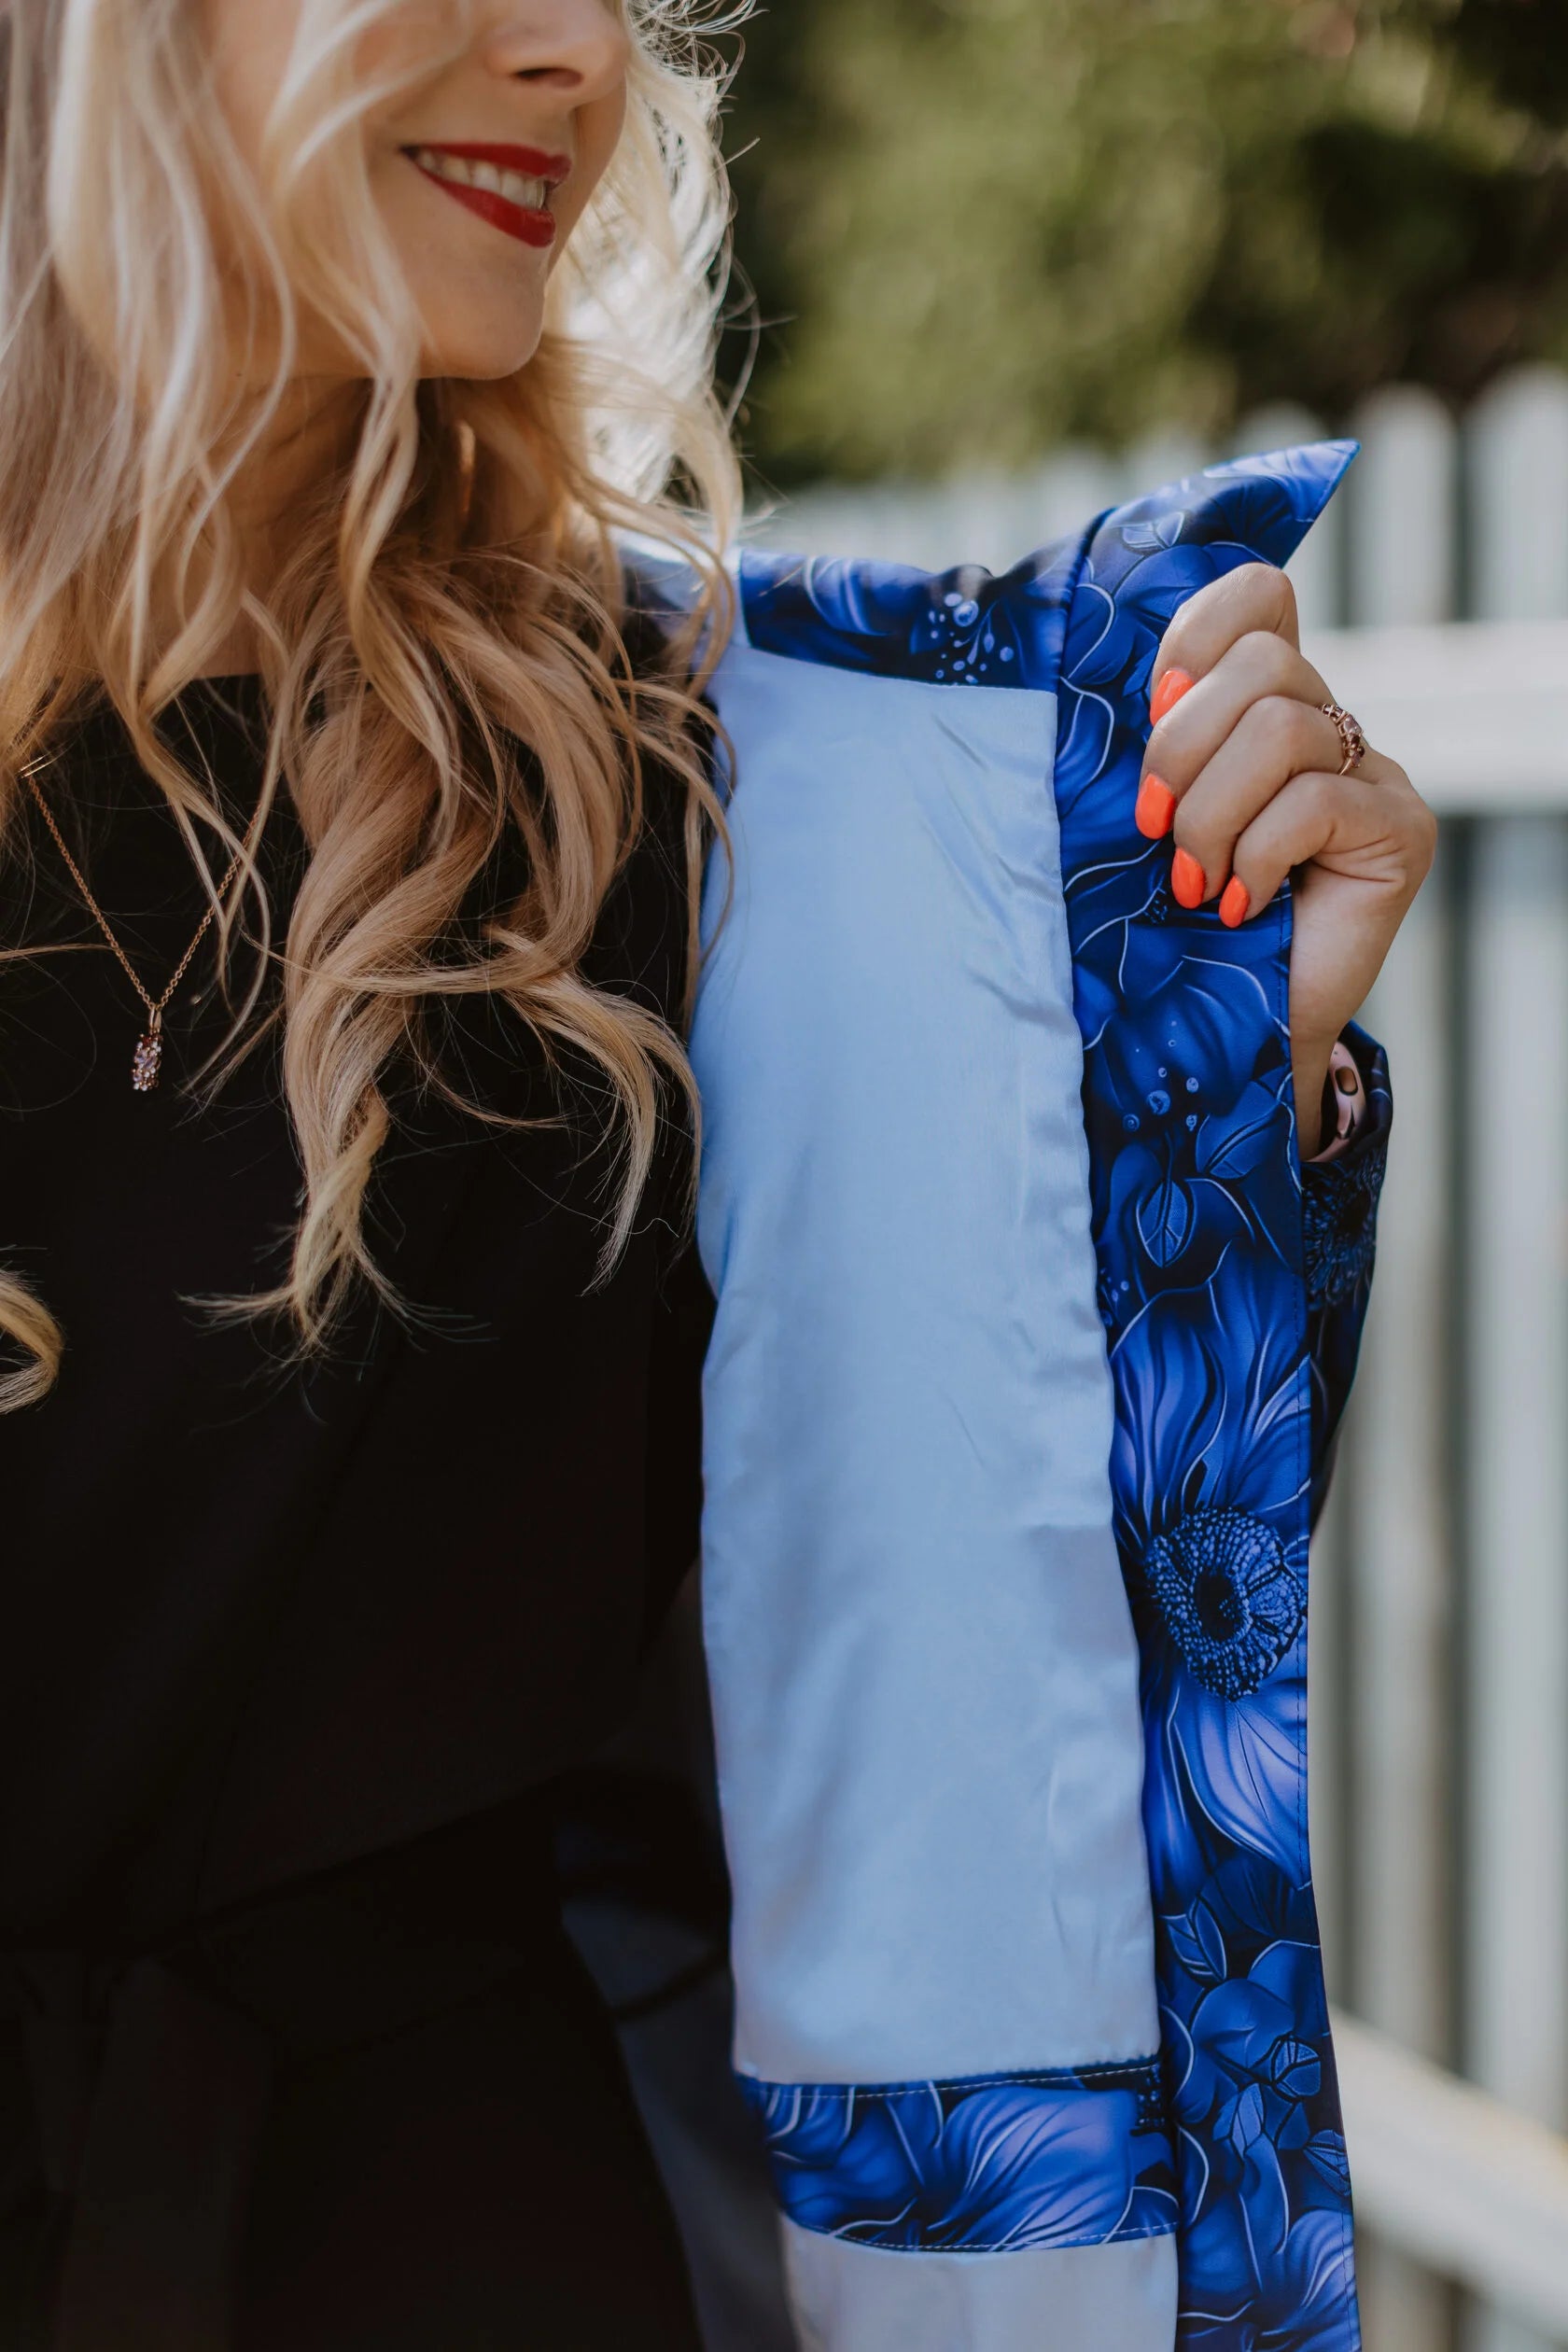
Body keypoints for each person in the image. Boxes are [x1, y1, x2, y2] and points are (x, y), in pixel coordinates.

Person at [0, 4, 1434, 2349]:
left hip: (444, 2254)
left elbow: (1000, 1617)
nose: (575, 47)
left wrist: (1206, 1087)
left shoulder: (716, 795)